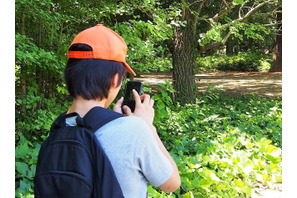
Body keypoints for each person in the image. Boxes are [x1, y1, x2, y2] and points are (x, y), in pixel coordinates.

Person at [64, 24, 180, 197]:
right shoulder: (134, 130)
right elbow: (172, 184)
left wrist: (111, 119)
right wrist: (147, 126)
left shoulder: (57, 129)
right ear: (115, 79)